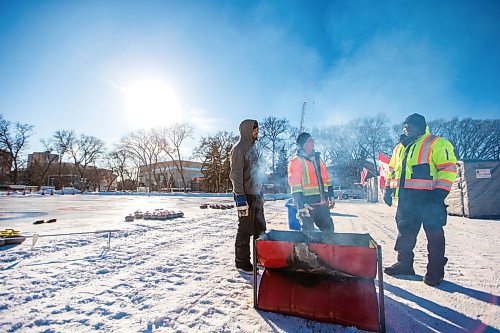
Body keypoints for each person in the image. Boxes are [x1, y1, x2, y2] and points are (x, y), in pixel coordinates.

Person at [383, 113, 457, 286]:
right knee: (405, 231)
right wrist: (387, 189)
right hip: (406, 198)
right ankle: (404, 264)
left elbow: (448, 169)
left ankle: (435, 271)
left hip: (430, 197)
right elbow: (392, 170)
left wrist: (439, 193)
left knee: (434, 233)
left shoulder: (436, 142)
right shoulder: (398, 148)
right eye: (405, 126)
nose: (406, 129)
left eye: (410, 126)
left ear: (421, 127)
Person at [229, 119, 266, 274]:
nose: (256, 133)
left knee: (261, 228)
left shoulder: (254, 149)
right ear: (246, 130)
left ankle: (260, 259)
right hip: (245, 196)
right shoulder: (239, 149)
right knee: (245, 229)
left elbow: (257, 173)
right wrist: (240, 198)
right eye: (254, 130)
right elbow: (235, 175)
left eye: (257, 130)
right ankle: (242, 262)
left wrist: (261, 191)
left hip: (256, 195)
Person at [288, 132, 335, 232]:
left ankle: (326, 248)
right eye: (310, 141)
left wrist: (331, 195)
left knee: (329, 232)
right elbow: (295, 184)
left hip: (322, 204)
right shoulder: (296, 161)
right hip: (307, 206)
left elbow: (327, 178)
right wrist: (300, 204)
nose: (313, 143)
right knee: (308, 236)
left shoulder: (318, 159)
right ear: (303, 144)